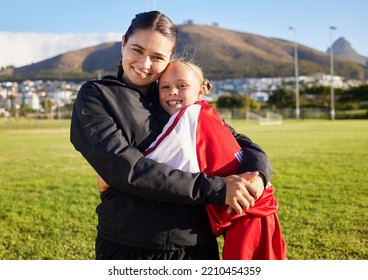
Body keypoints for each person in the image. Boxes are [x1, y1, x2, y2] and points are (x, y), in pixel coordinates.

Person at [71, 10, 273, 260]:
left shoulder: (175, 96)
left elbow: (238, 141)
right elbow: (124, 167)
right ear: (123, 43)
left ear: (170, 59)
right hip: (129, 245)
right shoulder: (97, 95)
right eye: (137, 50)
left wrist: (259, 174)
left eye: (157, 57)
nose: (144, 64)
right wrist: (218, 188)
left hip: (196, 244)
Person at [98, 59, 286, 259]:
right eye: (165, 87)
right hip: (257, 208)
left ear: (201, 90)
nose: (173, 91)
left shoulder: (190, 118)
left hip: (250, 212)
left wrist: (109, 177)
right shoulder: (207, 113)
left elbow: (158, 159)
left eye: (182, 86)